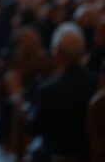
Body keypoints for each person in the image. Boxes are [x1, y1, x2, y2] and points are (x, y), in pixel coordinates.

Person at [30, 22, 98, 162]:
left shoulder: (48, 89)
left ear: (56, 54)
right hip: (89, 155)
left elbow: (34, 128)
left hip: (55, 155)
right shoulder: (97, 83)